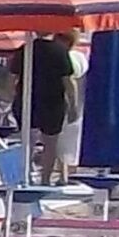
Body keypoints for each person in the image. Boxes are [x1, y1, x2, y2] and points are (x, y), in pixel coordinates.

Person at [31, 36, 79, 178]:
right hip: (53, 101)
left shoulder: (26, 49)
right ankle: (45, 179)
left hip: (28, 99)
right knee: (50, 143)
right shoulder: (60, 52)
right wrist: (73, 106)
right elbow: (69, 82)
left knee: (27, 142)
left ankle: (23, 175)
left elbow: (11, 78)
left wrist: (9, 97)